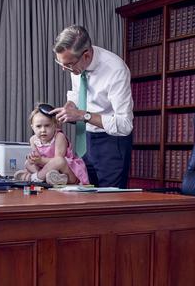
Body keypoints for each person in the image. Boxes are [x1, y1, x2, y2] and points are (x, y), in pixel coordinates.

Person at [50, 25, 134, 188]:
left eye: (68, 65)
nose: (64, 68)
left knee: (107, 203)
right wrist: (70, 106)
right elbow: (77, 92)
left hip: (112, 143)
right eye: (61, 63)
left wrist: (83, 115)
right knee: (83, 196)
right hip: (86, 140)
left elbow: (125, 125)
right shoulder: (76, 64)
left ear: (86, 55)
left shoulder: (115, 70)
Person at [13, 107, 89, 185]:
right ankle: (50, 178)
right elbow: (37, 158)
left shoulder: (59, 137)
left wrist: (40, 160)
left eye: (47, 125)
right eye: (38, 126)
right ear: (32, 127)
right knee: (27, 163)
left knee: (59, 161)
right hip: (48, 171)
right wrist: (32, 158)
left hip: (67, 172)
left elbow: (58, 160)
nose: (43, 130)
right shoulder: (33, 140)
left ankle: (35, 178)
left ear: (55, 125)